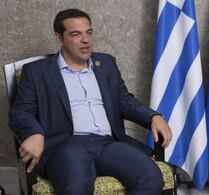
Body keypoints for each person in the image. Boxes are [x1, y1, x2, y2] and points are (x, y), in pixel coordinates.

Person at [9, 8, 172, 195]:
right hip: (66, 146)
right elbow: (21, 111)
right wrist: (34, 133)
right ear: (59, 38)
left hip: (108, 144)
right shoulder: (37, 72)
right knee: (76, 186)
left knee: (151, 177)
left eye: (89, 32)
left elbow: (124, 101)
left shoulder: (106, 64)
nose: (86, 40)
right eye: (76, 34)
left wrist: (154, 116)